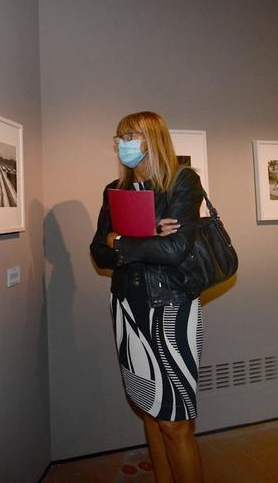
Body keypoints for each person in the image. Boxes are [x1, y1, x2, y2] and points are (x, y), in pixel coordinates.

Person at [90, 111, 205, 483]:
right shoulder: (115, 190)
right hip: (127, 308)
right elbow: (97, 250)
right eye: (120, 136)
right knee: (151, 411)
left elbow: (176, 250)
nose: (124, 143)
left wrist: (121, 240)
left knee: (176, 423)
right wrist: (148, 235)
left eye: (132, 135)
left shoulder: (182, 182)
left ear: (153, 138)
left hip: (170, 309)